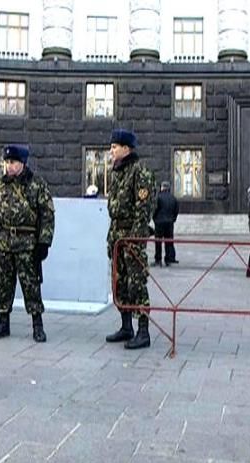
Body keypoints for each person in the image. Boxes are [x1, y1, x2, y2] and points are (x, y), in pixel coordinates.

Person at [0, 145, 55, 343]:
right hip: (5, 243)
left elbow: (47, 215)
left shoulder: (36, 184)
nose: (9, 166)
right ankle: (3, 322)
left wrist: (44, 242)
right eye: (6, 162)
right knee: (3, 285)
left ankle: (37, 325)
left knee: (31, 285)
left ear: (22, 163)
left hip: (27, 244)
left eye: (12, 162)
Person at [105, 129, 156, 350]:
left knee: (136, 283)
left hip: (131, 237)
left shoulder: (139, 171)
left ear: (126, 149)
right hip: (117, 235)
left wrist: (134, 240)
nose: (111, 151)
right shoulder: (117, 172)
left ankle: (143, 331)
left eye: (114, 147)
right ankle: (126, 326)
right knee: (119, 283)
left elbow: (143, 209)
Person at [153, 181, 179, 267]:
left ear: (162, 187)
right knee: (169, 242)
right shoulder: (173, 198)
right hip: (169, 223)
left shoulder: (158, 197)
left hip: (159, 222)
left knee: (158, 242)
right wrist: (173, 219)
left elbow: (155, 209)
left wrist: (154, 218)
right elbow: (176, 210)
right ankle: (168, 259)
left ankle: (158, 259)